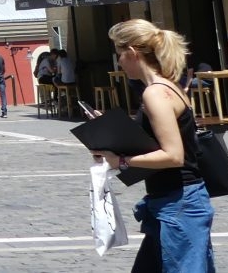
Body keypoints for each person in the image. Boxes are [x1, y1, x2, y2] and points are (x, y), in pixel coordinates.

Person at [91, 19, 215, 273]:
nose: (118, 62)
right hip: (173, 201)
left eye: (119, 54)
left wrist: (121, 162)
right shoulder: (168, 87)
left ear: (133, 53)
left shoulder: (155, 93)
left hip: (178, 203)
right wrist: (110, 134)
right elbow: (157, 139)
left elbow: (173, 155)